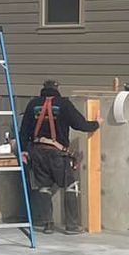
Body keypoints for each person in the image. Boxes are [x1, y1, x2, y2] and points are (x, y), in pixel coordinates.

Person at [17, 79, 99, 233]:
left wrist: (23, 150)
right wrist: (96, 124)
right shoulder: (64, 104)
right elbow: (80, 124)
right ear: (57, 89)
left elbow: (24, 131)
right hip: (57, 153)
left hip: (37, 152)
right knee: (70, 185)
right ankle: (72, 225)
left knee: (43, 187)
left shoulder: (33, 104)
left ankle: (47, 224)